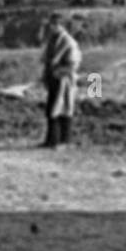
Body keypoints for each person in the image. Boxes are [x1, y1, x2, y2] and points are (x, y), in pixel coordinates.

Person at [40, 12, 81, 149]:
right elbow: (47, 60)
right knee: (52, 108)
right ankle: (51, 140)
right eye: (51, 24)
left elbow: (73, 63)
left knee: (63, 108)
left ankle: (64, 141)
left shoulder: (68, 42)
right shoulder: (53, 39)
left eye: (54, 24)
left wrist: (59, 72)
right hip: (54, 79)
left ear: (60, 25)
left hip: (64, 80)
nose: (51, 27)